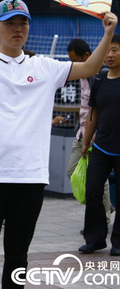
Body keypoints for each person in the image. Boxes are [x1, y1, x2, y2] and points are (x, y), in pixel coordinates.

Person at [0, 0, 117, 288]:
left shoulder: (44, 66)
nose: (17, 28)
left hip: (30, 177)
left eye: (23, 22)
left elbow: (90, 68)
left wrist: (107, 33)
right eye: (10, 23)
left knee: (18, 257)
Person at [64, 39, 113, 225]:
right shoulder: (83, 75)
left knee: (100, 178)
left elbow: (100, 109)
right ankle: (106, 206)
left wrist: (95, 133)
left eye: (76, 60)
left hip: (95, 135)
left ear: (86, 56)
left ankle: (104, 217)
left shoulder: (100, 76)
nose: (74, 65)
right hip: (81, 134)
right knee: (72, 170)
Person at [81, 34, 120, 255]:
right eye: (108, 51)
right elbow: (93, 114)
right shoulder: (100, 80)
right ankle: (95, 239)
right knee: (93, 190)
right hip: (102, 147)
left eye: (114, 50)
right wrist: (86, 142)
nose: (110, 55)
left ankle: (118, 242)